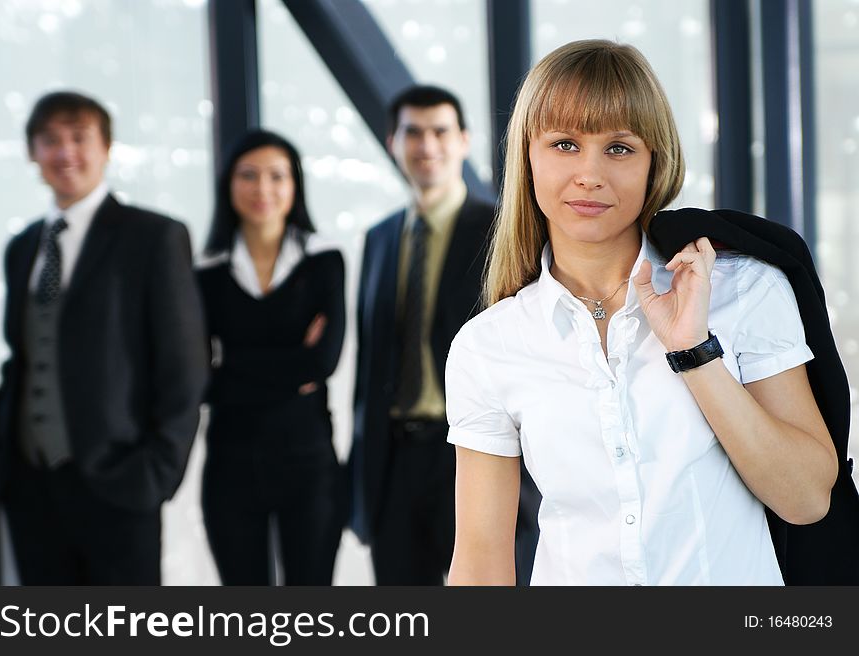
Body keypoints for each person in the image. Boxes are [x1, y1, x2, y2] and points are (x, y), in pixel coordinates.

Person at [445, 40, 838, 585]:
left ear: (655, 159)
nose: (589, 174)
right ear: (526, 156)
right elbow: (481, 561)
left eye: (620, 148)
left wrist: (694, 353)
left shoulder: (745, 290)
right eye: (564, 144)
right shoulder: (489, 345)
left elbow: (807, 498)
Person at [0, 91, 207, 585]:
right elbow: (23, 358)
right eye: (50, 140)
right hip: (32, 488)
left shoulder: (153, 236)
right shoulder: (23, 247)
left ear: (106, 148)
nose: (65, 153)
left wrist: (156, 472)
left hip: (121, 482)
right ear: (33, 153)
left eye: (79, 138)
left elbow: (184, 364)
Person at [350, 84, 539, 585]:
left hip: (476, 454)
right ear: (393, 142)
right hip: (395, 463)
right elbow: (370, 365)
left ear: (464, 140)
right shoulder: (380, 237)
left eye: (440, 131)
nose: (426, 145)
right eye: (413, 132)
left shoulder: (502, 229)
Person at [196, 129, 346, 585]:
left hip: (308, 460)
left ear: (294, 185)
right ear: (228, 184)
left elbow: (321, 364)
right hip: (230, 462)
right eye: (249, 175)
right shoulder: (206, 272)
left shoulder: (324, 261)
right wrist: (289, 365)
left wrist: (232, 362)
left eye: (276, 176)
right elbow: (202, 380)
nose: (263, 189)